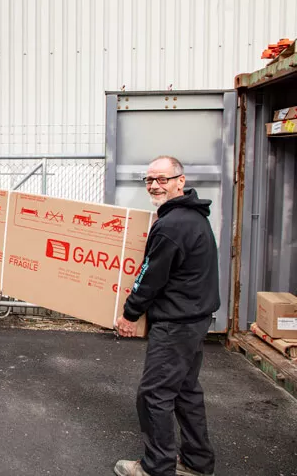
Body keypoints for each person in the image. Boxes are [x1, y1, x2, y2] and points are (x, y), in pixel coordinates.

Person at [113, 156, 220, 476]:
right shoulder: (193, 217)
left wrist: (129, 314)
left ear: (180, 181)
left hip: (176, 324)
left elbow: (150, 276)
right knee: (185, 391)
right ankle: (197, 462)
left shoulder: (172, 225)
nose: (154, 185)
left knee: (154, 396)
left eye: (161, 179)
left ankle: (156, 467)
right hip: (194, 319)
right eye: (149, 180)